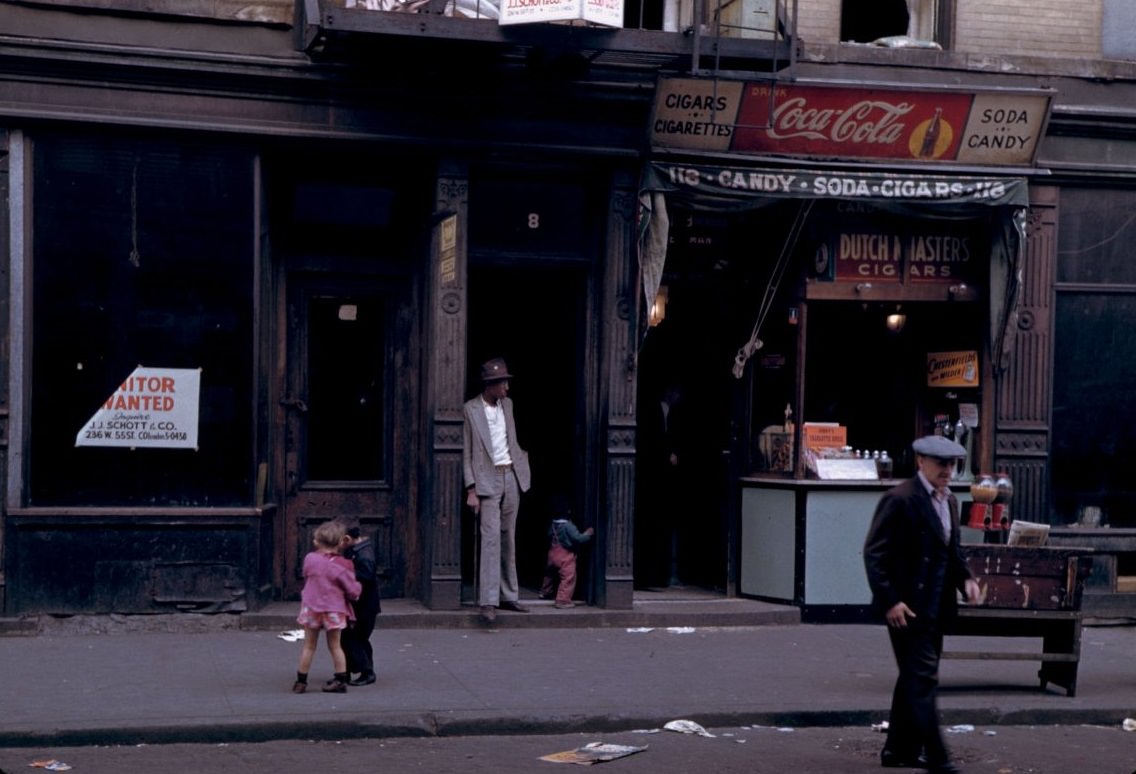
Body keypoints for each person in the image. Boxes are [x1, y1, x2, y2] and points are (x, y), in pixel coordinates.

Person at [863, 435, 981, 774]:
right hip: (907, 608)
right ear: (920, 463)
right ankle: (938, 757)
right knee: (923, 680)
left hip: (937, 607)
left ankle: (897, 750)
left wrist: (967, 580)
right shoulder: (899, 499)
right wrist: (890, 600)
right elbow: (875, 555)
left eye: (952, 464)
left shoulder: (951, 502)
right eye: (940, 463)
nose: (947, 470)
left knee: (914, 679)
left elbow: (952, 553)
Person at [462, 357, 532, 625]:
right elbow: (467, 451)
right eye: (502, 383)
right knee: (490, 540)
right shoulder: (471, 409)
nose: (506, 388)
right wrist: (471, 488)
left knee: (508, 537)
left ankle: (508, 595)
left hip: (510, 475)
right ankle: (488, 601)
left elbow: (511, 440)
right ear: (489, 385)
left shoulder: (509, 405)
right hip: (486, 480)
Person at [293, 519, 362, 694]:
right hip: (334, 609)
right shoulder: (343, 565)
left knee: (309, 645)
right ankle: (340, 680)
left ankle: (301, 681)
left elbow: (306, 575)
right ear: (340, 543)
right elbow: (353, 591)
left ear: (317, 541)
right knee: (335, 646)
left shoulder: (310, 559)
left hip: (311, 607)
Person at [338, 518, 381, 687]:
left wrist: (343, 573)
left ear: (347, 539)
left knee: (356, 638)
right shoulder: (359, 549)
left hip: (364, 605)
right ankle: (348, 670)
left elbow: (366, 576)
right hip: (362, 605)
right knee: (351, 637)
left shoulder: (363, 555)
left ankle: (366, 671)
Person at [539, 495, 595, 609]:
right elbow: (578, 538)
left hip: (552, 553)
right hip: (565, 555)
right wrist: (587, 534)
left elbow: (549, 535)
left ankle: (545, 591)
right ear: (568, 512)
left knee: (549, 574)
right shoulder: (568, 526)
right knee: (568, 577)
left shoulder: (553, 525)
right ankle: (562, 600)